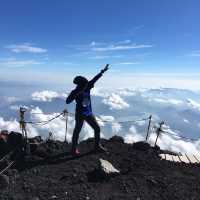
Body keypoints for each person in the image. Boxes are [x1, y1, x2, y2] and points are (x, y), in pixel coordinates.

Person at [66, 64, 109, 156]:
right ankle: (73, 150)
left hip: (89, 112)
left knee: (97, 128)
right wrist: (77, 94)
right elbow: (68, 101)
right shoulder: (75, 91)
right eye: (85, 83)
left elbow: (94, 79)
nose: (87, 84)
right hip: (80, 114)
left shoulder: (87, 86)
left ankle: (97, 147)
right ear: (80, 84)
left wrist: (102, 72)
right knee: (77, 131)